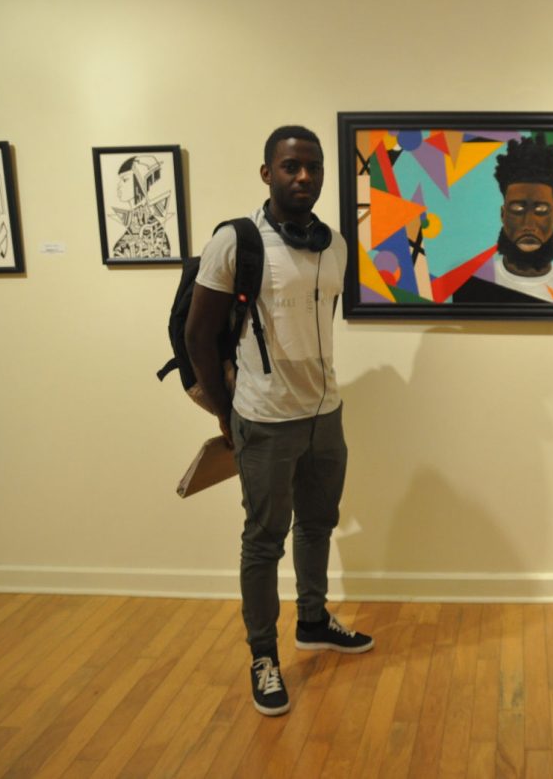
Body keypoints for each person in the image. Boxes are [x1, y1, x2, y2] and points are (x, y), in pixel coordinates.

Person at [185, 125, 373, 717]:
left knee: (318, 524)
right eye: (291, 167)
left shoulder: (337, 245)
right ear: (267, 173)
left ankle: (312, 620)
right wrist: (226, 413)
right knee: (264, 541)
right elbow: (198, 333)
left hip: (326, 414)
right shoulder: (235, 242)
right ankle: (262, 655)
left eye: (313, 167)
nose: (304, 177)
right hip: (264, 420)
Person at [451, 135, 553, 303]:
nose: (529, 225)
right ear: (503, 215)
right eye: (517, 209)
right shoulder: (470, 286)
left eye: (541, 210)